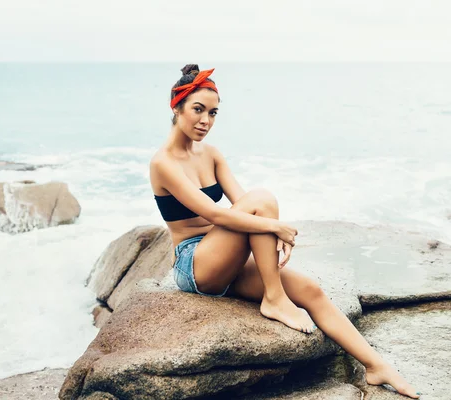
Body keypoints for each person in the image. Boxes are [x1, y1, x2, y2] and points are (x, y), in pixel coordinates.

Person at [149, 64, 421, 399]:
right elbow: (215, 214)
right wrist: (275, 226)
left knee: (311, 290)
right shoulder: (163, 162)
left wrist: (273, 232)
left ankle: (377, 366)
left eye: (213, 113)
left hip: (226, 260)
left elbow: (242, 203)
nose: (206, 121)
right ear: (176, 108)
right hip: (195, 265)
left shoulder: (212, 154)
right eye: (198, 110)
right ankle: (274, 299)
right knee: (263, 200)